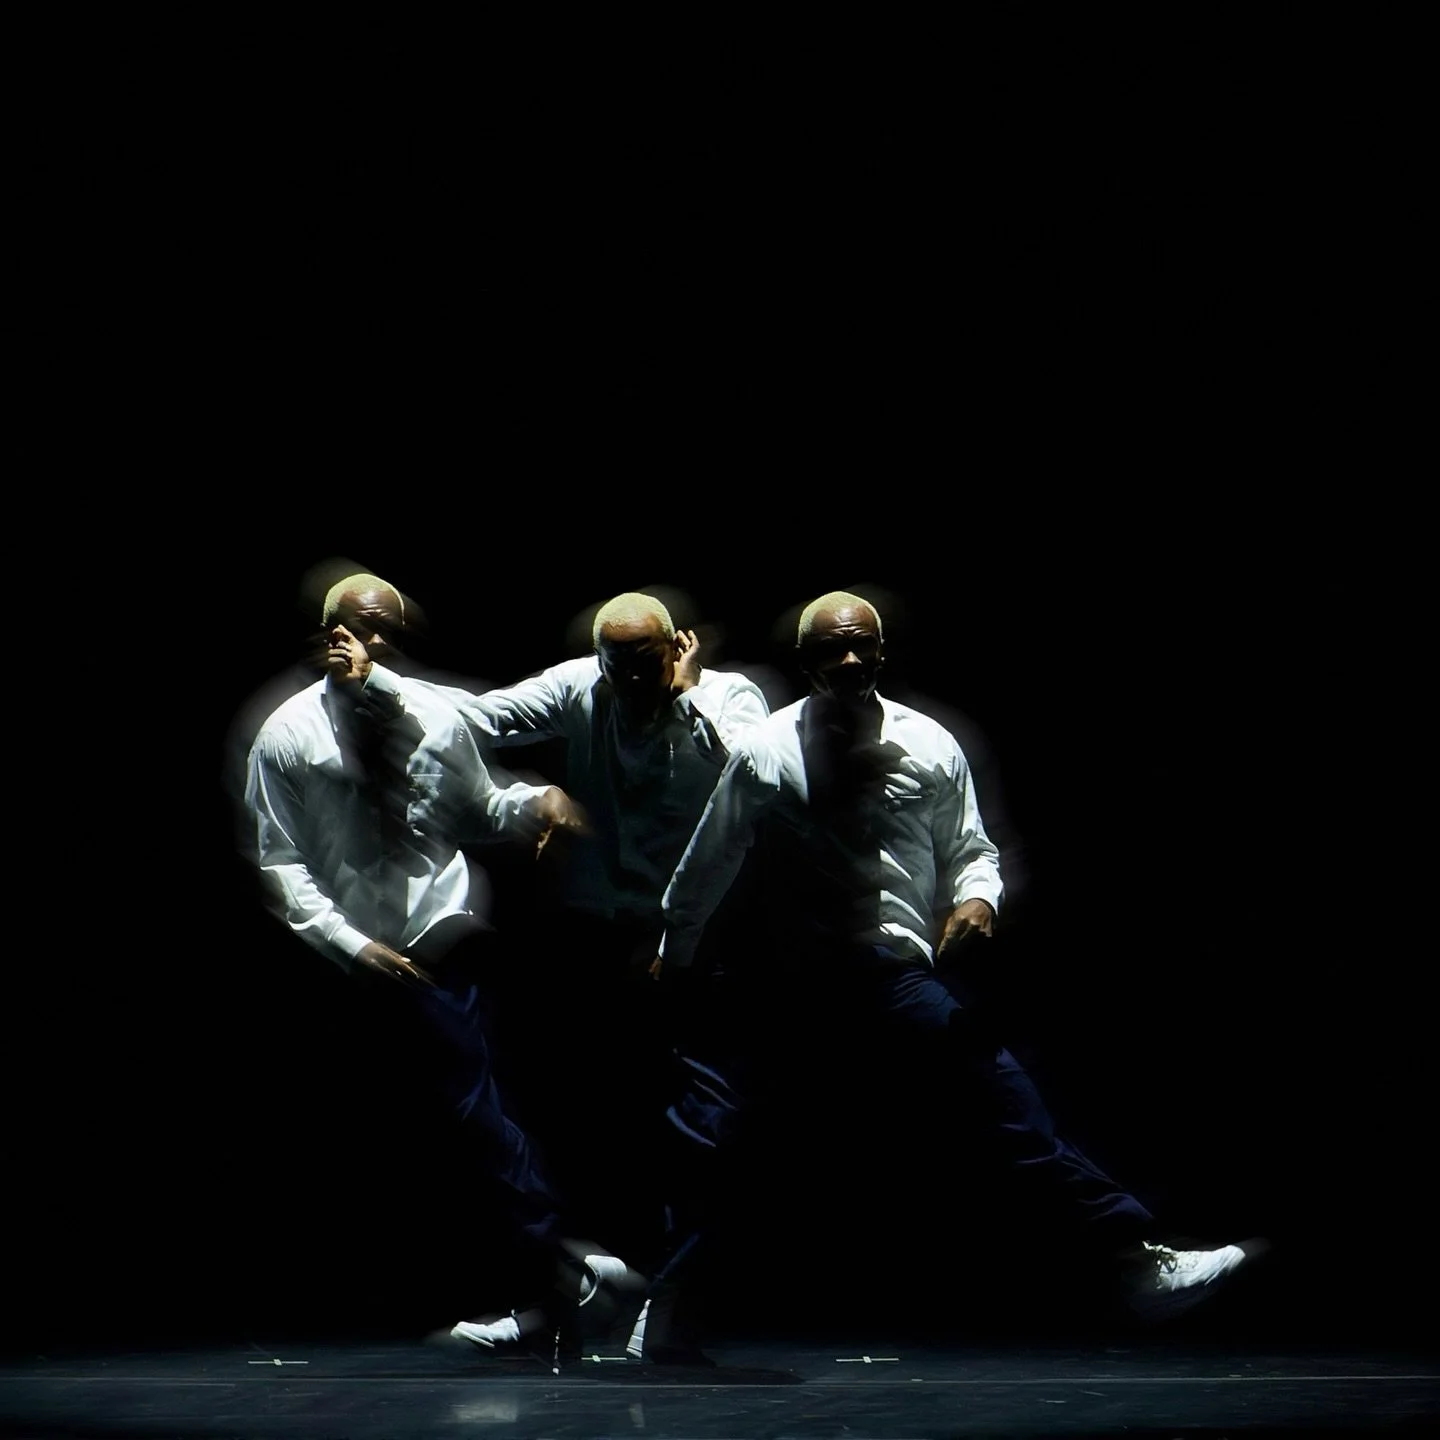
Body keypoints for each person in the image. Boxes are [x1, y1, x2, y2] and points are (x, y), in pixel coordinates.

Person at [631, 591, 1259, 1362]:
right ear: (808, 664)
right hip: (802, 987)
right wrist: (678, 950)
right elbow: (707, 862)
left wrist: (976, 899)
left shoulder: (930, 744)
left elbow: (972, 847)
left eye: (862, 646)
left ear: (883, 652)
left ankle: (1136, 1263)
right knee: (737, 1147)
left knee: (1006, 1105)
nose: (850, 660)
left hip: (894, 972)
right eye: (832, 650)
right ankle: (668, 1312)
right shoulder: (769, 748)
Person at [240, 572, 642, 1356]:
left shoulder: (434, 713)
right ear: (329, 632)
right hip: (350, 958)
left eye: (388, 630)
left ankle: (562, 1273)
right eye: (359, 626)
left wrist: (536, 802)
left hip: (441, 946)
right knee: (437, 1133)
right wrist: (352, 946)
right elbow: (280, 862)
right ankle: (553, 1281)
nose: (372, 642)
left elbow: (478, 804)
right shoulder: (289, 735)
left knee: (476, 1112)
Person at [396, 591, 773, 1273]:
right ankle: (586, 1281)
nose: (627, 679)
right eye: (614, 664)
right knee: (590, 1118)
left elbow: (754, 777)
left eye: (645, 662)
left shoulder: (728, 697)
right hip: (599, 932)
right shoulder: (579, 686)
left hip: (698, 935)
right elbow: (471, 721)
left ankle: (675, 1285)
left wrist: (687, 700)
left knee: (706, 1121)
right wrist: (517, 802)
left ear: (678, 648)